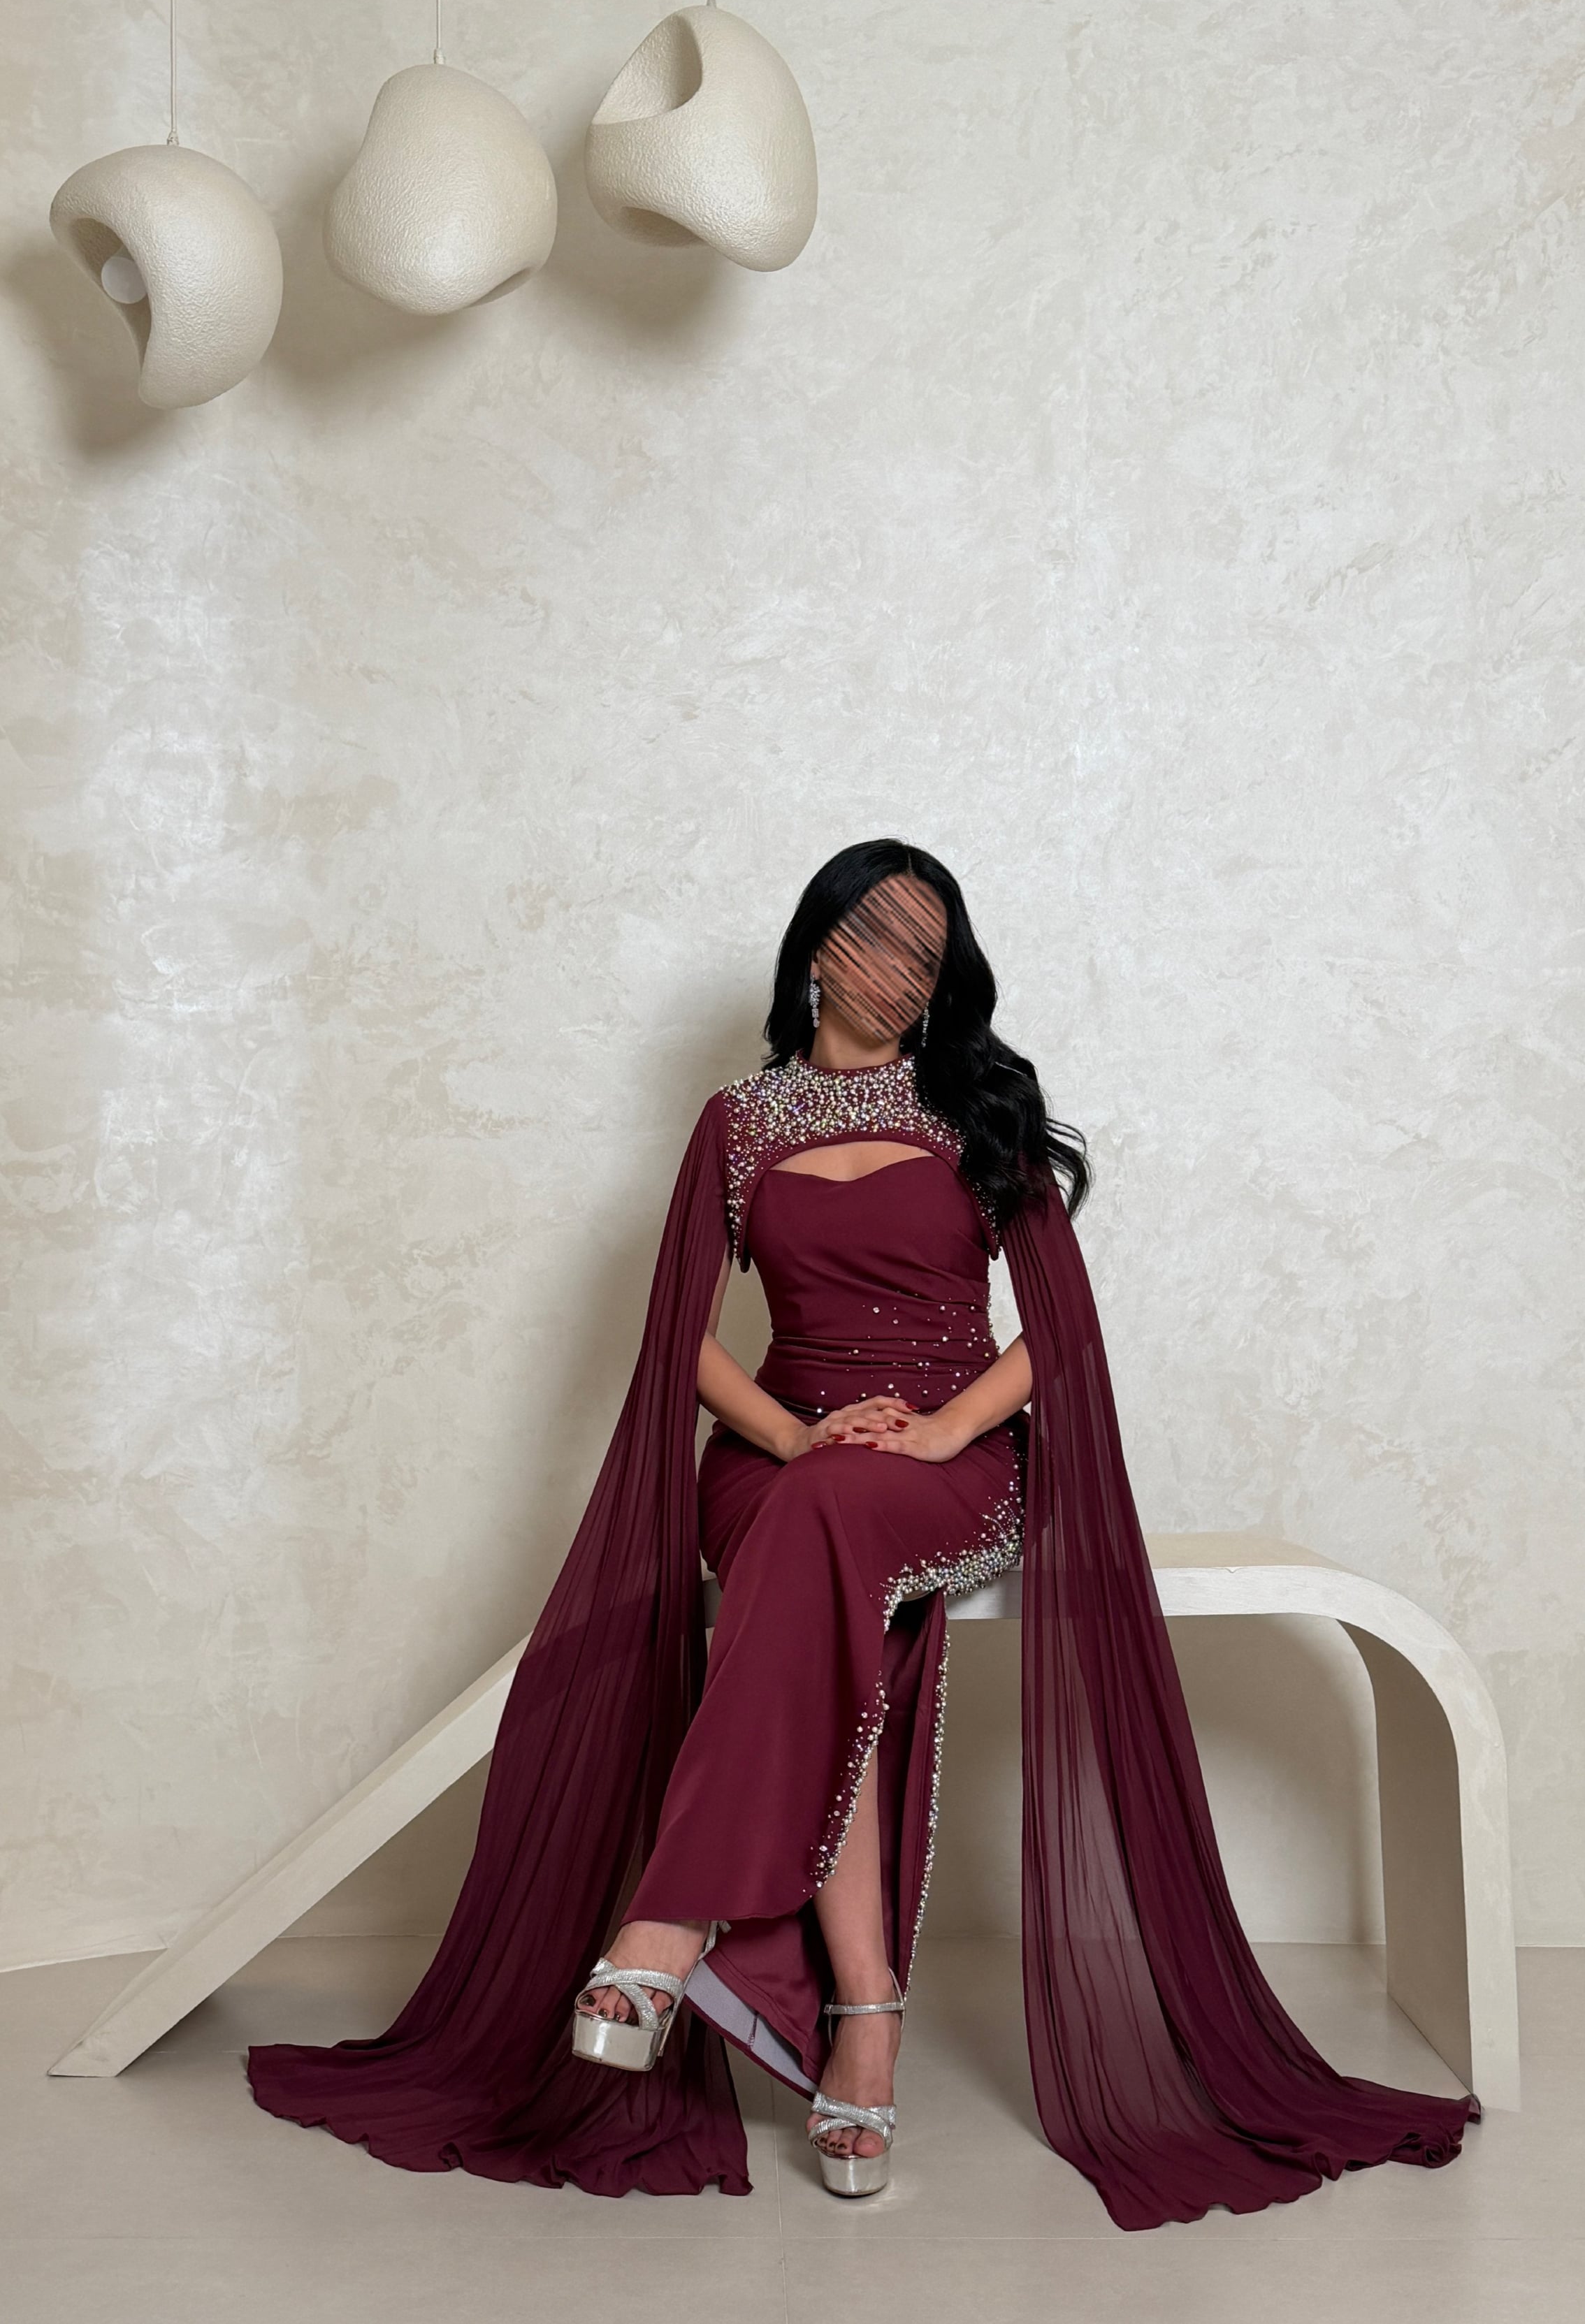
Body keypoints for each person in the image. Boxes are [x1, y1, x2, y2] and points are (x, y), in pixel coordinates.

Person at [247, 839, 1478, 2226]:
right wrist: (788, 1436)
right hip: (778, 1457)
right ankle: (864, 2021)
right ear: (818, 944)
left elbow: (1062, 1337)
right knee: (817, 1543)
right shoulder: (737, 1122)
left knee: (825, 1535)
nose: (902, 973)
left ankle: (671, 1925)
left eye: (928, 955)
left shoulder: (977, 1109)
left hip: (949, 1461)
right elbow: (678, 1340)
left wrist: (946, 1431)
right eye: (880, 937)